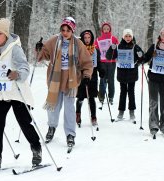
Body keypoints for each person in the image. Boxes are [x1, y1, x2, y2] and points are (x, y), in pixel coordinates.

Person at [0, 18, 42, 171]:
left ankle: (36, 148)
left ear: (6, 35)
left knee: (24, 122)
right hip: (0, 93)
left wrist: (16, 73)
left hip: (16, 92)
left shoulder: (15, 49)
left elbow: (25, 68)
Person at [36, 17, 93, 147]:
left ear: (72, 30)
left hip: (71, 78)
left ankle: (70, 134)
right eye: (63, 29)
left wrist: (86, 75)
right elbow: (43, 55)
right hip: (56, 78)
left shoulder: (78, 44)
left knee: (69, 108)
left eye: (68, 30)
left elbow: (87, 63)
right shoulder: (54, 41)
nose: (65, 32)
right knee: (53, 106)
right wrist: (39, 49)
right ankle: (52, 127)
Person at [106, 29, 143, 121]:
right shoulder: (118, 47)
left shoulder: (135, 47)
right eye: (126, 36)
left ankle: (132, 112)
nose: (128, 38)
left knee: (131, 92)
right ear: (123, 37)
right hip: (122, 74)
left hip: (132, 74)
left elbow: (142, 59)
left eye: (129, 36)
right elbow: (109, 57)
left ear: (132, 37)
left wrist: (140, 55)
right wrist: (111, 49)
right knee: (122, 92)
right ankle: (121, 112)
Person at [76, 30, 104, 127]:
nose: (87, 40)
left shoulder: (95, 50)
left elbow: (99, 62)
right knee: (80, 97)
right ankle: (78, 114)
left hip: (93, 75)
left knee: (91, 97)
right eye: (85, 38)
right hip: (81, 74)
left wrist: (101, 70)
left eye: (89, 38)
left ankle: (93, 117)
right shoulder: (79, 49)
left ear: (91, 38)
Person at [142, 28, 164, 136]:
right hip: (154, 78)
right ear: (160, 35)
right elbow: (146, 57)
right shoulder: (155, 46)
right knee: (153, 102)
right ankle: (154, 125)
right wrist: (142, 59)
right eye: (162, 34)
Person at [94, 22, 119, 105]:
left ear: (110, 30)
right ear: (102, 30)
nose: (106, 30)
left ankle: (111, 97)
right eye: (104, 29)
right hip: (102, 62)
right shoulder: (98, 40)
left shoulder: (113, 38)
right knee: (102, 79)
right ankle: (101, 96)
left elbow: (118, 47)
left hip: (111, 62)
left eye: (108, 29)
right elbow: (95, 50)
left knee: (111, 79)